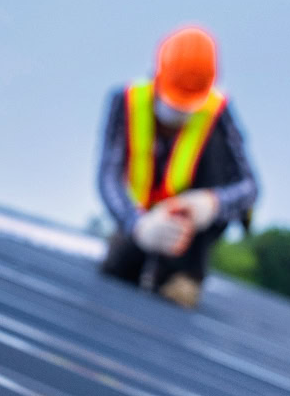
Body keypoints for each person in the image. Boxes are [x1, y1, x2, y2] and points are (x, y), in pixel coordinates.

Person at [97, 26, 258, 308]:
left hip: (189, 231)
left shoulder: (218, 115)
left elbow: (250, 187)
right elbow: (108, 176)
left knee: (173, 296)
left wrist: (211, 203)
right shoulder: (127, 102)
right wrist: (138, 225)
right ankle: (132, 248)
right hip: (141, 219)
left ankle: (185, 274)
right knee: (117, 272)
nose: (181, 112)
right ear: (157, 75)